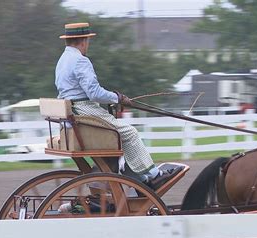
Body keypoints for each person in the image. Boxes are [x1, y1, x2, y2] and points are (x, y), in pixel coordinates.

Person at [55, 22, 182, 190]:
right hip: (83, 109)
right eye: (87, 41)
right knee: (129, 132)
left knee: (121, 136)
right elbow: (94, 93)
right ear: (83, 41)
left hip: (72, 112)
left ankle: (137, 177)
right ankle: (153, 175)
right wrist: (117, 97)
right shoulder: (80, 61)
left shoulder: (62, 60)